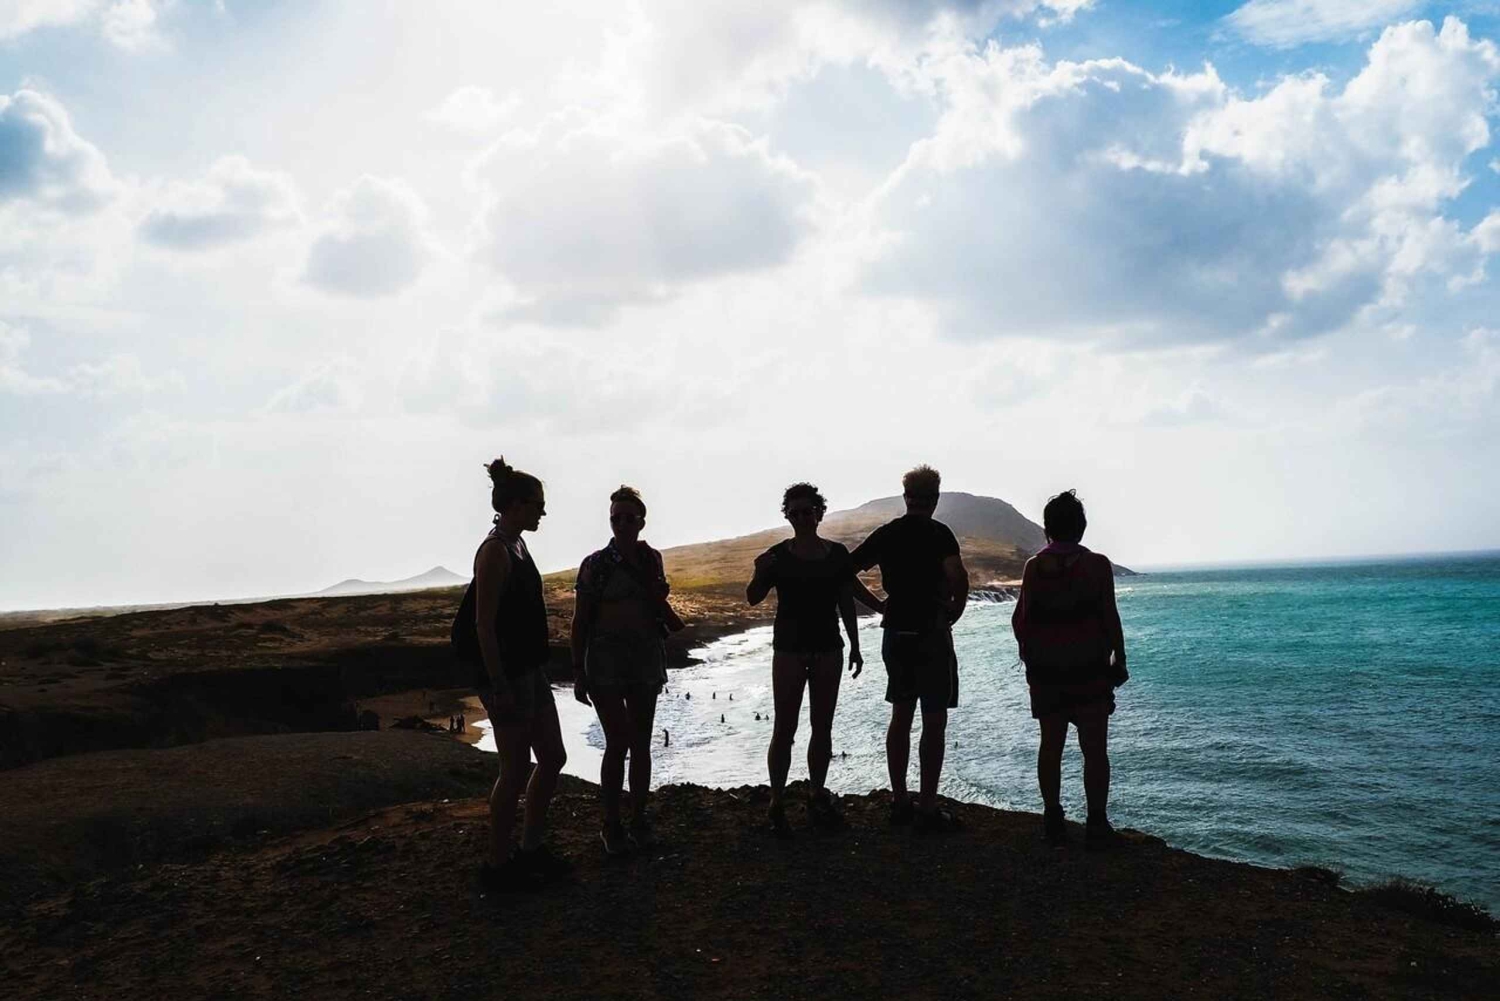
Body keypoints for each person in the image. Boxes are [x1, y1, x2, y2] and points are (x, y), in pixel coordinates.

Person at [748, 482, 885, 835]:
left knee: (822, 727)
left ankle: (815, 794)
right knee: (785, 727)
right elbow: (753, 597)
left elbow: (847, 598)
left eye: (807, 511)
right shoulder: (777, 556)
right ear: (787, 516)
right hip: (790, 649)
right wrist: (759, 571)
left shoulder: (837, 554)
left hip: (828, 647)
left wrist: (856, 644)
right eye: (794, 513)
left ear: (819, 513)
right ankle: (777, 802)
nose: (801, 518)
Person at [850, 465, 969, 832]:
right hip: (932, 630)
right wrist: (954, 612)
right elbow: (958, 579)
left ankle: (900, 800)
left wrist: (880, 605)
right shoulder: (940, 534)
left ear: (906, 497)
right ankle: (928, 807)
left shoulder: (888, 534)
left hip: (896, 630)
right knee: (934, 720)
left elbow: (847, 571)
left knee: (900, 716)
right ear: (934, 499)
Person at [471, 457, 569, 890]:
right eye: (536, 505)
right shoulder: (494, 551)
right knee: (513, 767)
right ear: (514, 506)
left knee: (553, 757)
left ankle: (529, 849)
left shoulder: (518, 545)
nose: (542, 513)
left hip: (530, 669)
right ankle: (497, 864)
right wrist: (498, 685)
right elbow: (483, 625)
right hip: (508, 675)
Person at [1011, 489, 1127, 849]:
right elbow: (1109, 615)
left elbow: (1021, 620)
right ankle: (1096, 823)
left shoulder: (1034, 567)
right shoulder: (1096, 565)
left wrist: (1029, 656)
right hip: (1089, 670)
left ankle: (1053, 818)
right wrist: (1119, 659)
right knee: (1095, 750)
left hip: (1047, 673)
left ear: (1048, 528)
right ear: (1081, 527)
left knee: (1051, 746)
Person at [572, 485, 682, 855]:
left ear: (641, 521)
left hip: (644, 658)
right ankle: (612, 824)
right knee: (618, 742)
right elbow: (580, 621)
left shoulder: (652, 559)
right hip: (604, 660)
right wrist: (579, 670)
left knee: (641, 743)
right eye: (615, 517)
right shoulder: (595, 564)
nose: (621, 523)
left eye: (628, 517)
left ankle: (638, 819)